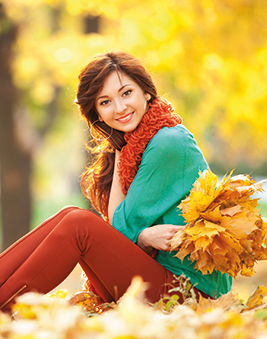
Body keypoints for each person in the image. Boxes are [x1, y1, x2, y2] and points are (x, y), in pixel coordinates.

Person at [0, 51, 232, 313]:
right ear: (97, 112)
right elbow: (121, 226)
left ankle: (4, 306)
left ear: (146, 92)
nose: (120, 108)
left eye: (126, 93)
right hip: (160, 281)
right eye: (105, 101)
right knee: (71, 214)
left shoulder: (168, 143)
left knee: (79, 225)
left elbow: (120, 228)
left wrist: (140, 235)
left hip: (188, 294)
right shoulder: (132, 146)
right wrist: (120, 152)